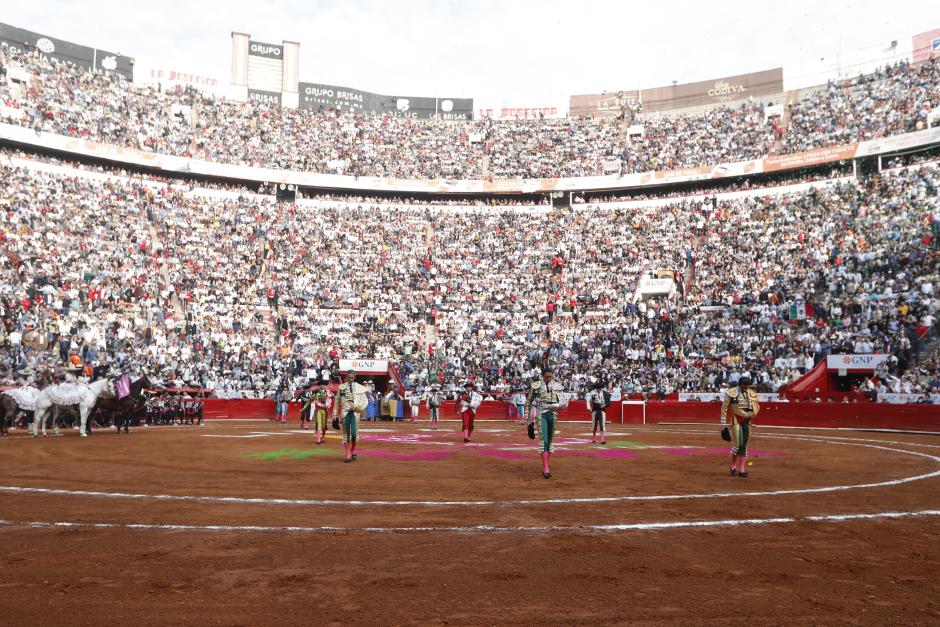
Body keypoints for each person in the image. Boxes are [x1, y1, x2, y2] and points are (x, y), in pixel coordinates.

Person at [527, 368, 568, 479]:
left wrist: (557, 406)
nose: (548, 378)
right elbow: (528, 402)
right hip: (541, 414)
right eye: (546, 376)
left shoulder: (557, 386)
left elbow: (565, 403)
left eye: (550, 376)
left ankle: (546, 465)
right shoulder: (536, 385)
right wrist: (528, 420)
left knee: (550, 441)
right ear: (542, 376)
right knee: (543, 440)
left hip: (553, 414)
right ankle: (546, 468)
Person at [720, 373, 760, 478]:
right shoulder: (731, 393)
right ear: (740, 385)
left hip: (747, 421)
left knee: (744, 445)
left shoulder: (750, 393)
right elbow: (724, 409)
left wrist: (753, 414)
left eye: (747, 387)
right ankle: (733, 465)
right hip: (736, 420)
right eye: (744, 386)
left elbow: (756, 406)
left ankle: (742, 470)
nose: (746, 388)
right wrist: (723, 425)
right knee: (738, 444)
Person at [333, 370, 369, 462]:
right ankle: (348, 453)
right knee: (346, 434)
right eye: (349, 377)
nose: (351, 379)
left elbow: (363, 401)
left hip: (355, 412)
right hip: (345, 412)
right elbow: (337, 401)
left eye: (352, 378)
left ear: (354, 377)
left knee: (354, 434)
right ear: (346, 377)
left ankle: (353, 449)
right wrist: (334, 414)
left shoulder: (359, 388)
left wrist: (358, 408)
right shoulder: (341, 387)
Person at [585, 380, 611, 444]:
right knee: (594, 425)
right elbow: (588, 399)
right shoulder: (593, 393)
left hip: (602, 411)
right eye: (597, 388)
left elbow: (609, 402)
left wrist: (604, 405)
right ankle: (594, 438)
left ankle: (602, 440)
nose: (598, 389)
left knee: (602, 424)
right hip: (595, 410)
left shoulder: (605, 394)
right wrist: (588, 406)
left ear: (601, 388)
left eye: (599, 388)